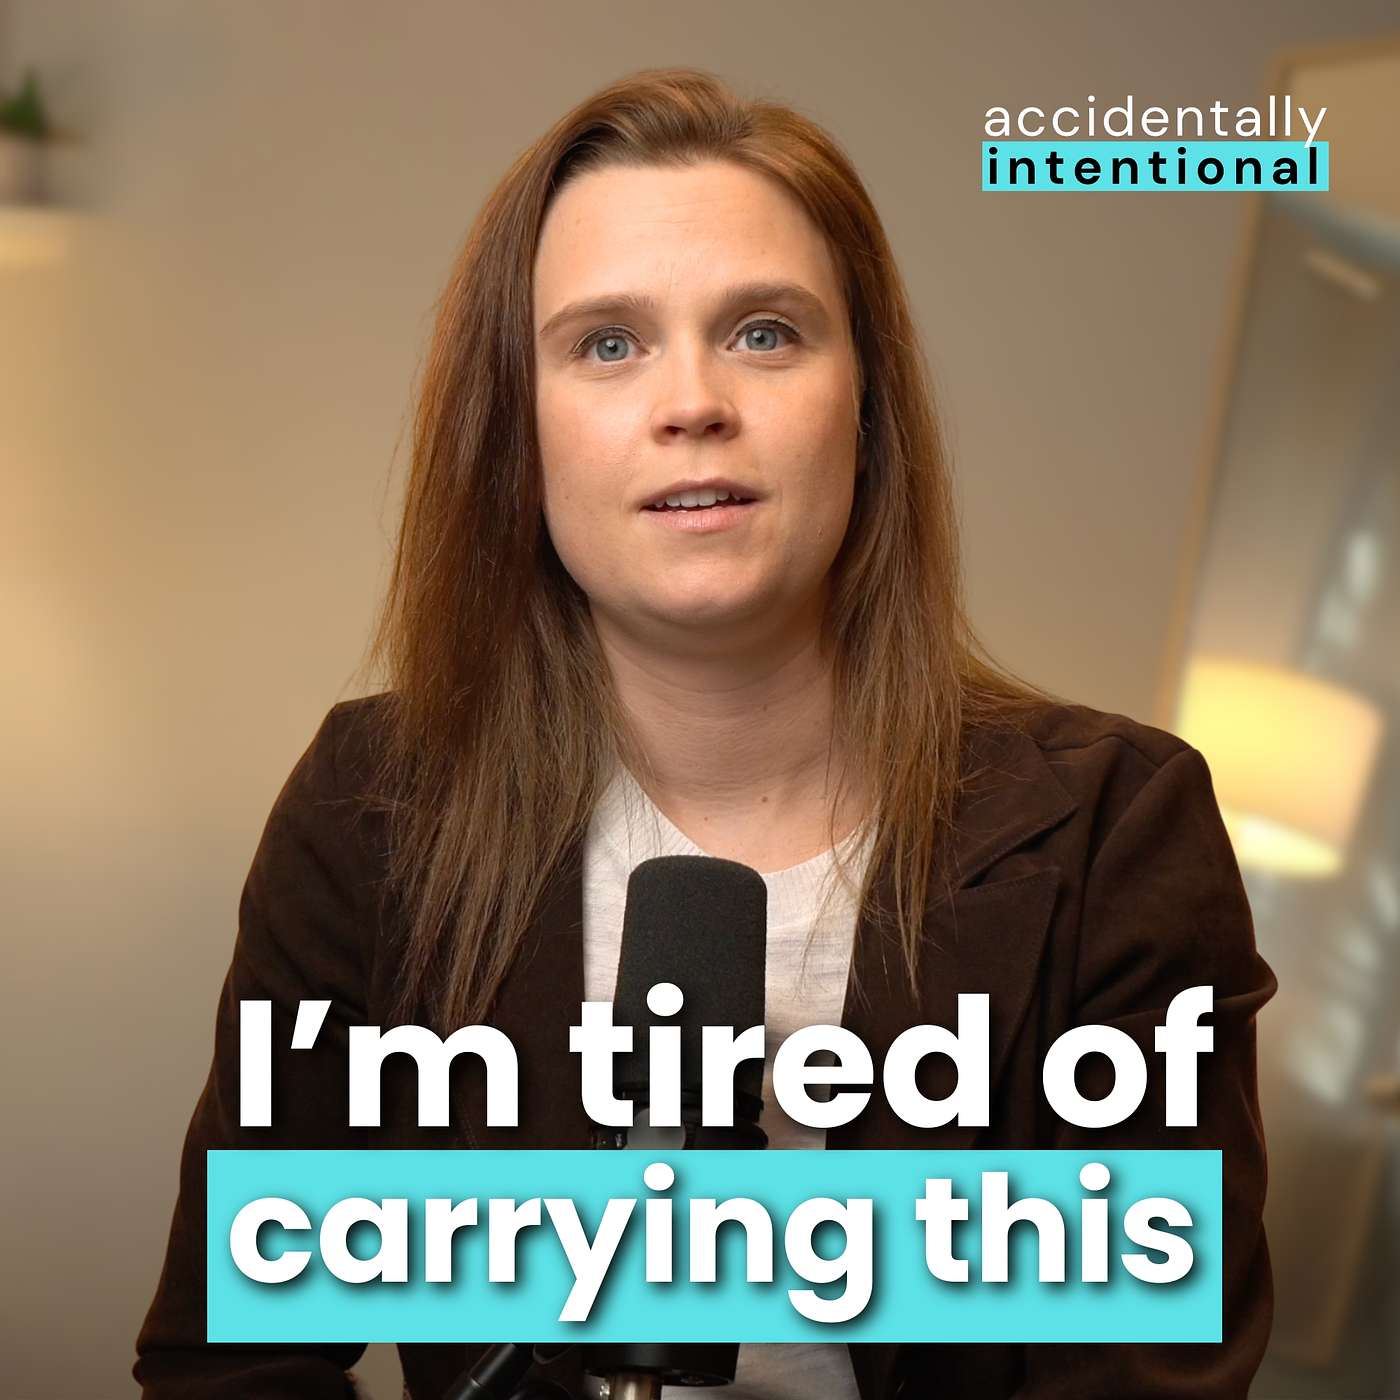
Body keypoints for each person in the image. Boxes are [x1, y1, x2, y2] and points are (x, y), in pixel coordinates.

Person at [133, 66, 1276, 1399]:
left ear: (868, 411)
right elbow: (230, 1358)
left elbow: (1148, 1370)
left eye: (765, 334)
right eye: (607, 345)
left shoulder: (1118, 827)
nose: (692, 403)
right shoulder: (371, 809)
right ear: (519, 434)